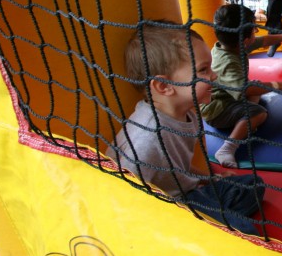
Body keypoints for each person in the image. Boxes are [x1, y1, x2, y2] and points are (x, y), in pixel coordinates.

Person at [106, 21, 265, 235]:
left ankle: (212, 224)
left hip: (189, 193)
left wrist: (207, 178)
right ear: (164, 86)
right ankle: (207, 229)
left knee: (253, 185)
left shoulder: (188, 111)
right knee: (246, 232)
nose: (214, 76)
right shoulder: (146, 141)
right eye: (203, 70)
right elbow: (122, 197)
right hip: (166, 210)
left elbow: (177, 166)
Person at [201, 4, 282, 167]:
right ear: (246, 40)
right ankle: (227, 149)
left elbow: (264, 40)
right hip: (217, 109)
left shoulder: (235, 45)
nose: (256, 34)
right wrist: (278, 85)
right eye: (254, 30)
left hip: (231, 95)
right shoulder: (227, 62)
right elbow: (243, 90)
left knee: (257, 87)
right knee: (259, 113)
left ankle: (245, 120)